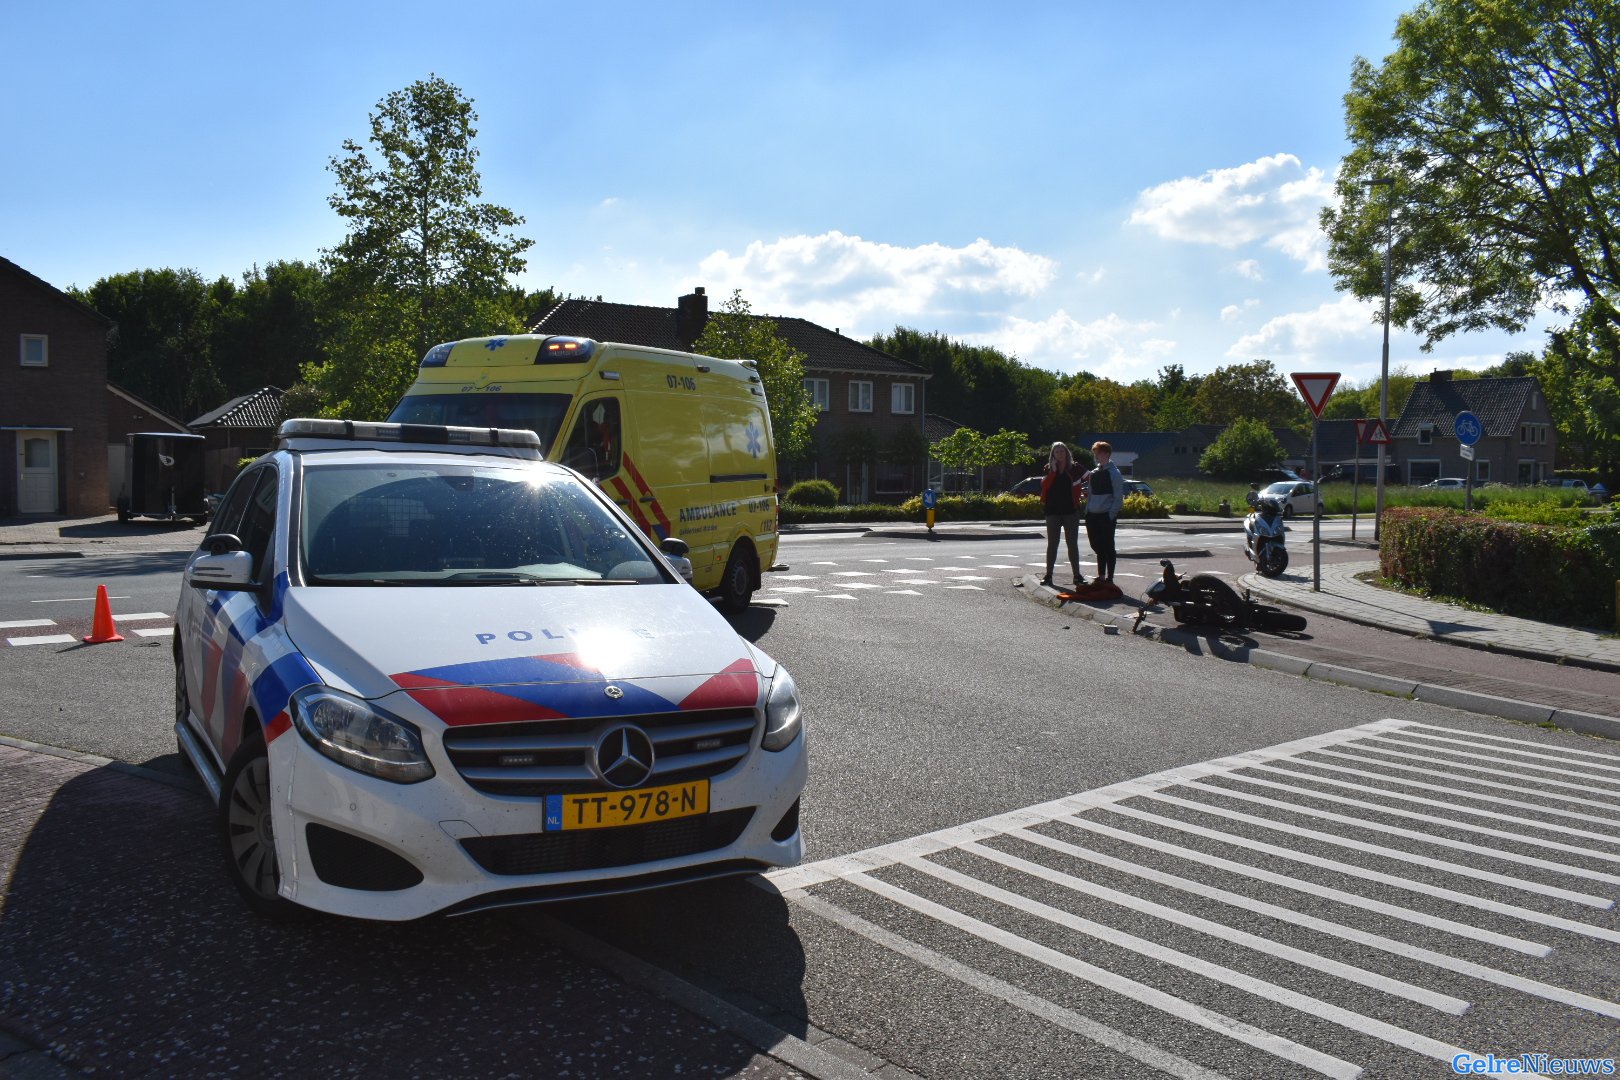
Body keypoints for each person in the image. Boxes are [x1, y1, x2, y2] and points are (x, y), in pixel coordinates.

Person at [1038, 441, 1085, 589]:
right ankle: (1049, 575)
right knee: (1053, 543)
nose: (1059, 454)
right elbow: (1045, 486)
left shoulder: (1075, 468)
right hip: (1052, 511)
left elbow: (1090, 477)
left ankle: (1077, 575)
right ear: (1053, 454)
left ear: (1067, 453)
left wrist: (1085, 494)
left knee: (1072, 544)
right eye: (1056, 452)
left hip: (1071, 511)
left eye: (1062, 451)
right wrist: (1052, 471)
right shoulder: (1048, 468)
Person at [1082, 440, 1126, 582]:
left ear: (1106, 454)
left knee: (1108, 546)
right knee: (1095, 544)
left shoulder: (1115, 473)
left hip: (1106, 515)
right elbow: (1090, 494)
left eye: (1098, 453)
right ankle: (1101, 575)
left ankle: (1109, 577)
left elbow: (1118, 497)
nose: (1096, 456)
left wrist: (1110, 514)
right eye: (1095, 453)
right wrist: (1087, 511)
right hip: (1092, 515)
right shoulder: (1094, 473)